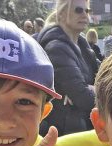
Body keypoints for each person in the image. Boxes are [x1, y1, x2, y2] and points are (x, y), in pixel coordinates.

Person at [38, 0, 99, 136]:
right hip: (62, 132)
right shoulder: (56, 47)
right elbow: (84, 99)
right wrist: (93, 89)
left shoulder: (83, 45)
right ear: (62, 14)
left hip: (82, 129)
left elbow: (107, 77)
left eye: (87, 10)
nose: (84, 14)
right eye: (78, 10)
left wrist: (93, 89)